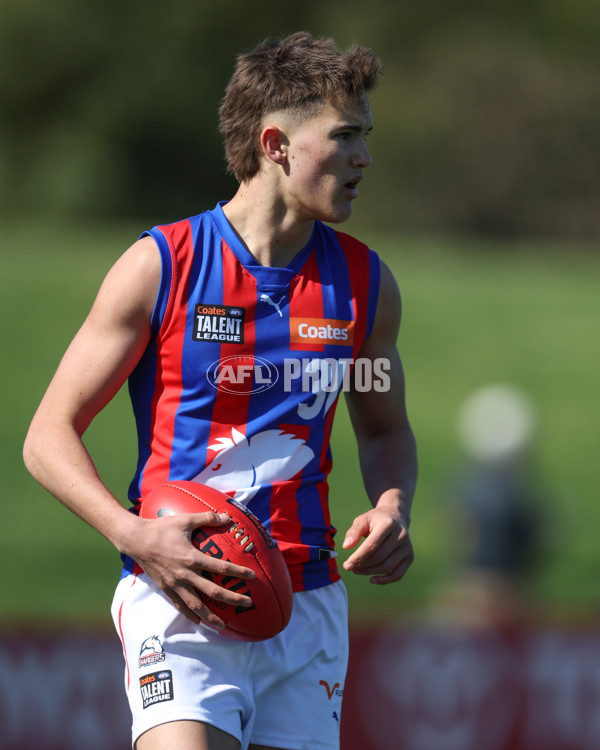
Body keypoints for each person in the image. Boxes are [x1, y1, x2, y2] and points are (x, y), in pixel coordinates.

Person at [23, 31, 418, 750]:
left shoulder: (366, 285)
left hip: (308, 605)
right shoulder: (163, 266)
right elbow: (47, 435)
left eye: (367, 137)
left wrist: (394, 506)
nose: (364, 158)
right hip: (182, 594)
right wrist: (134, 535)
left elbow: (385, 430)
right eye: (346, 136)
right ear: (276, 144)